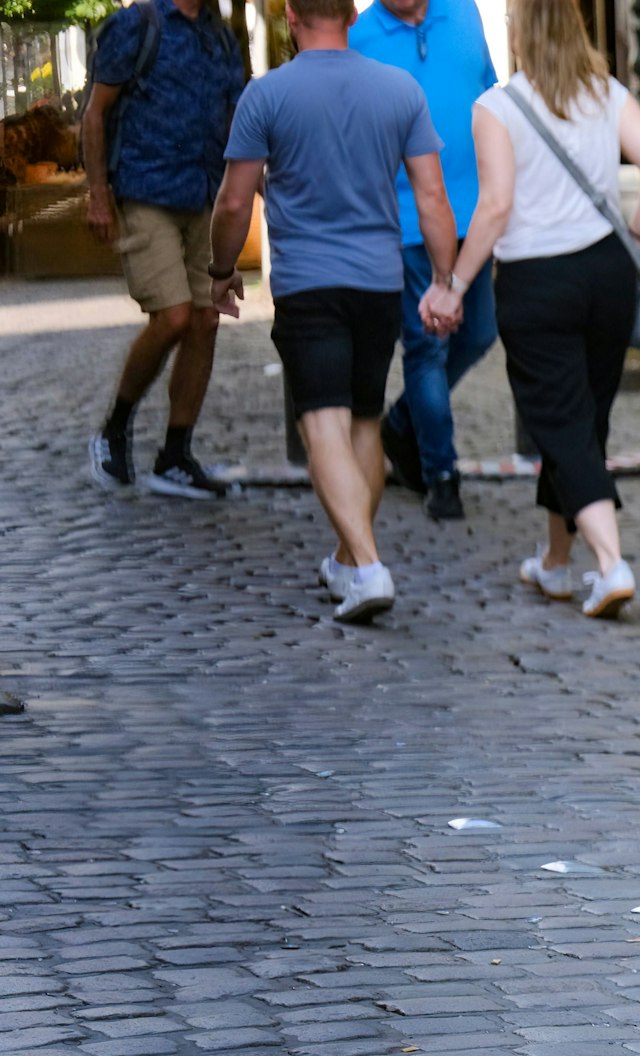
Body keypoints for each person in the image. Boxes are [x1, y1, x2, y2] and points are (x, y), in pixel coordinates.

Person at [420, 0, 640, 619]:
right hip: (608, 273)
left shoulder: (497, 110)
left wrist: (453, 284)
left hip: (538, 281)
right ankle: (557, 563)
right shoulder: (607, 93)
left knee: (561, 424)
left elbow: (496, 207)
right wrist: (635, 239)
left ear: (519, 33)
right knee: (582, 422)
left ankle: (610, 563)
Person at [207, 0, 459, 624]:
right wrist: (444, 278)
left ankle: (369, 566)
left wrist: (219, 270)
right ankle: (350, 558)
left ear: (289, 16)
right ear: (350, 14)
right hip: (378, 280)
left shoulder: (265, 96)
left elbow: (235, 201)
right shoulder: (399, 89)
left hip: (308, 284)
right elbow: (431, 196)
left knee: (321, 423)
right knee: (364, 423)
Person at [82, 0, 244, 499]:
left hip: (205, 195)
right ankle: (114, 429)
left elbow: (238, 118)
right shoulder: (137, 25)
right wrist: (98, 195)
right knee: (173, 316)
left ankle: (175, 455)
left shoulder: (221, 38)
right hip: (145, 191)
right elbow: (95, 113)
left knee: (206, 318)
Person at [352, 0, 500, 522]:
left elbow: (489, 94)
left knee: (480, 331)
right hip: (407, 218)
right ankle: (441, 472)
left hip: (476, 214)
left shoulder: (464, 12)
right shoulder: (360, 34)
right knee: (427, 344)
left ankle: (401, 422)